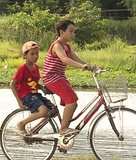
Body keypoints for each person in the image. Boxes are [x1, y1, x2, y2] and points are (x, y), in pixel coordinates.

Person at [41, 17, 98, 149]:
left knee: (72, 102)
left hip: (60, 77)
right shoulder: (57, 46)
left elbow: (77, 58)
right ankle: (63, 130)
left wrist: (91, 67)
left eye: (74, 32)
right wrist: (81, 66)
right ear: (62, 32)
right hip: (52, 78)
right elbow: (65, 60)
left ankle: (63, 130)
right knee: (72, 100)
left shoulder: (67, 46)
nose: (73, 34)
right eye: (71, 31)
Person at [9, 40, 55, 139]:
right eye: (32, 54)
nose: (35, 56)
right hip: (27, 96)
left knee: (53, 110)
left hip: (35, 95)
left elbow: (34, 83)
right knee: (43, 111)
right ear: (25, 55)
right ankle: (21, 124)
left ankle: (34, 130)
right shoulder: (22, 68)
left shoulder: (36, 67)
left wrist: (43, 87)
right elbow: (12, 84)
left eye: (37, 53)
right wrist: (19, 102)